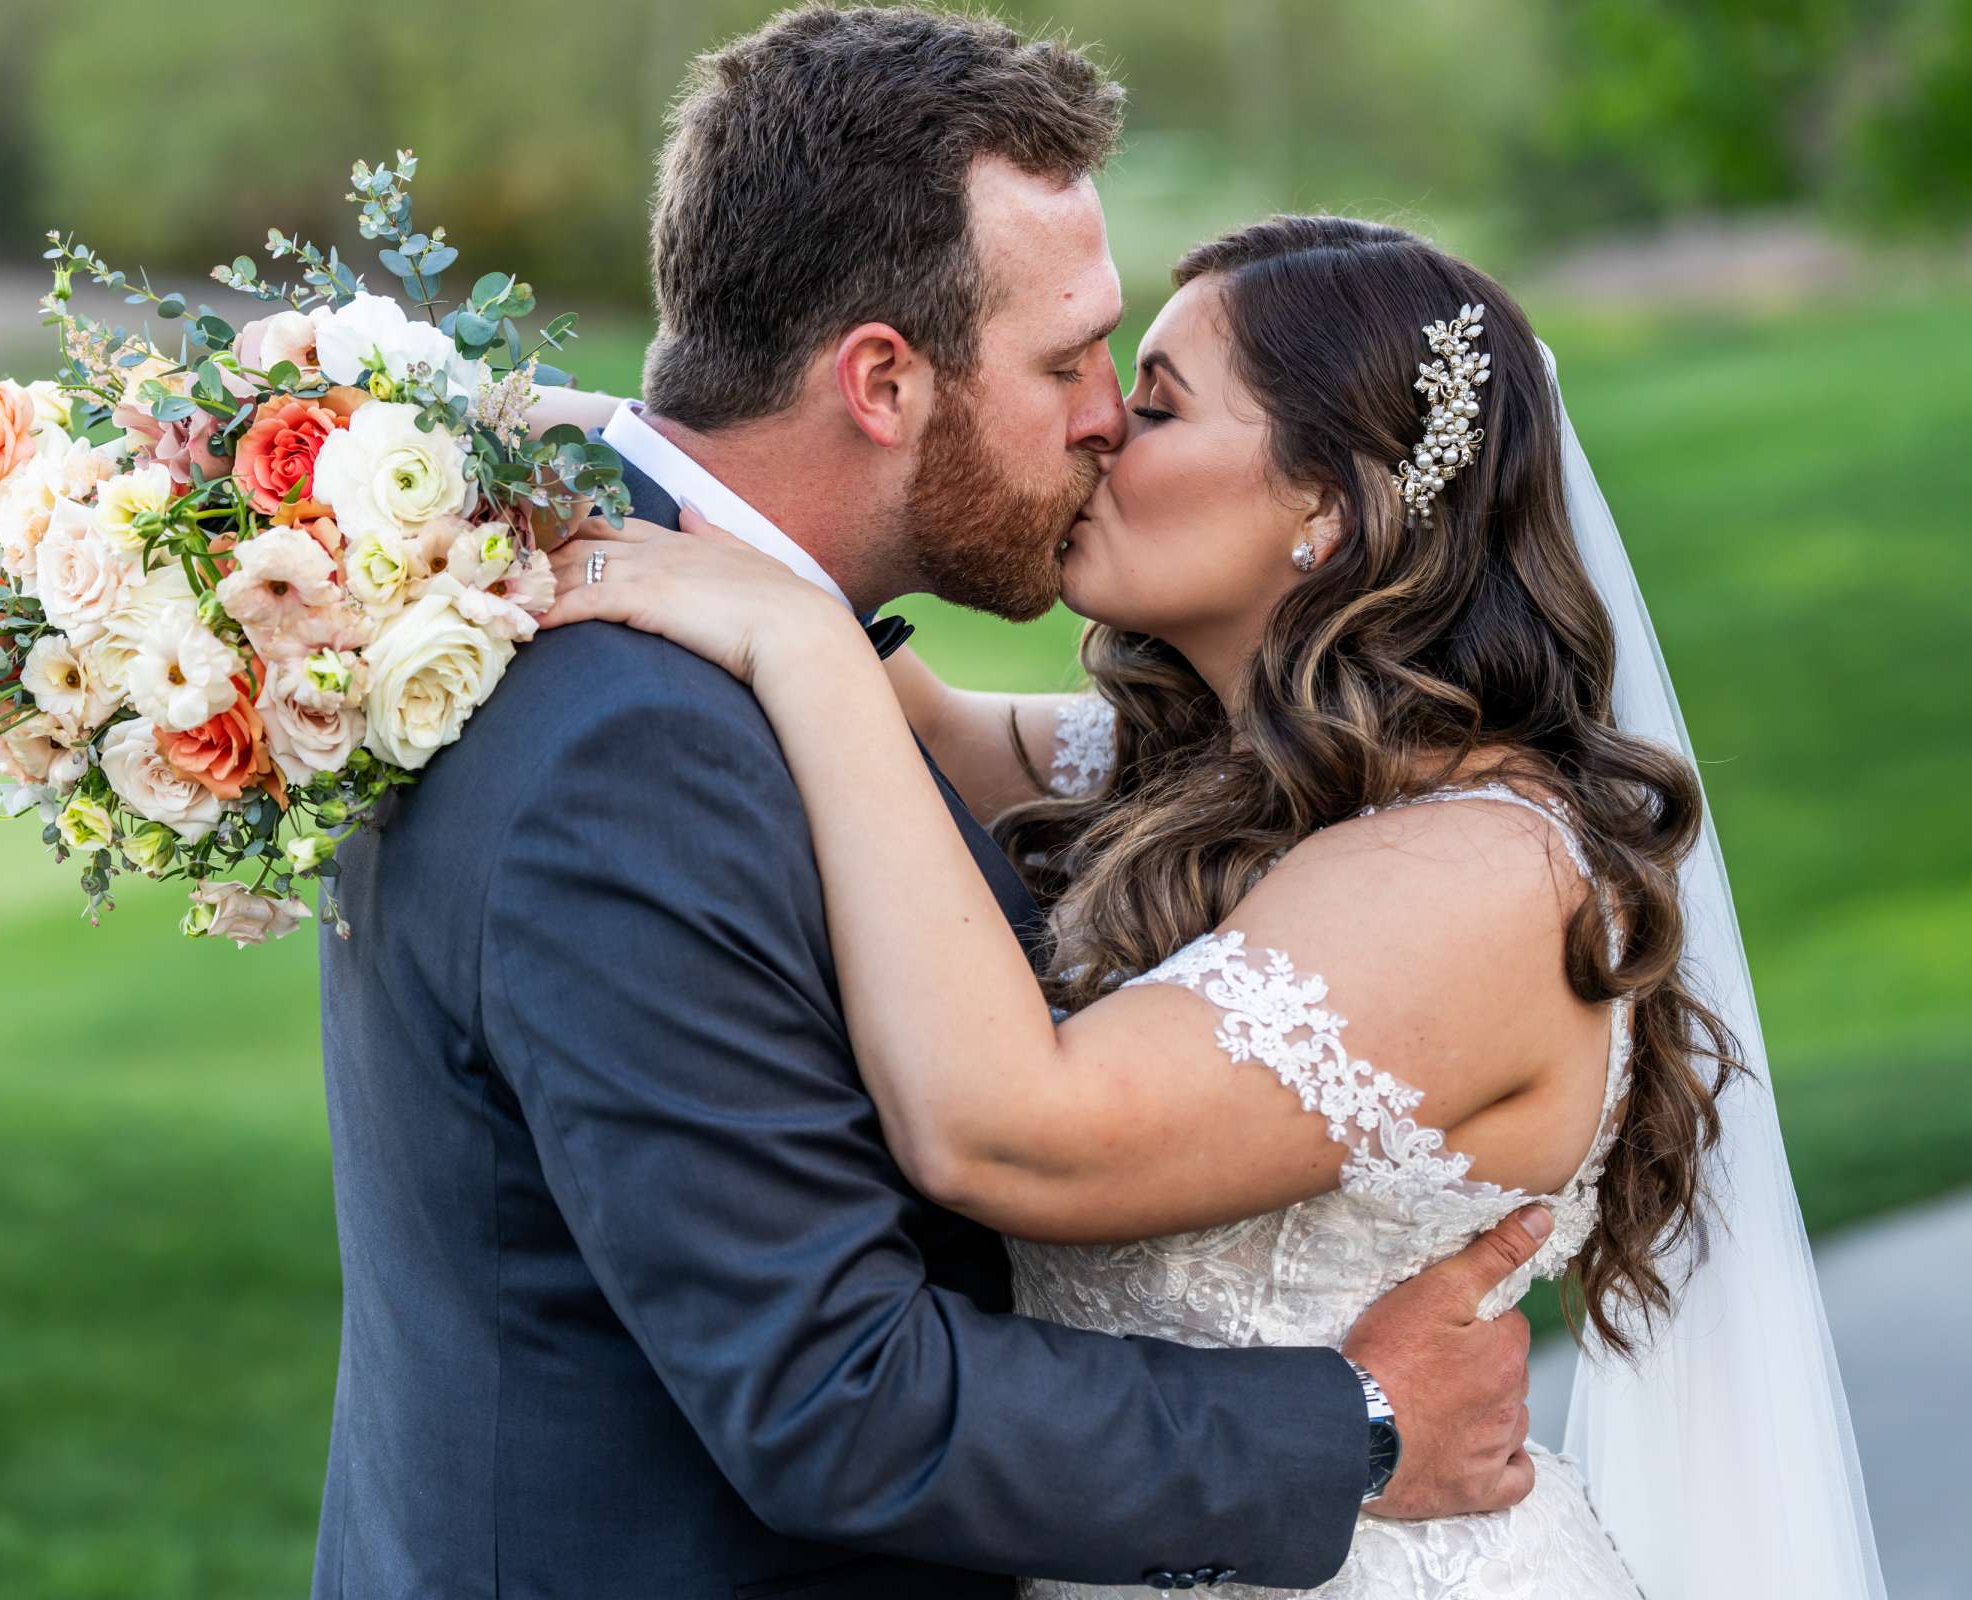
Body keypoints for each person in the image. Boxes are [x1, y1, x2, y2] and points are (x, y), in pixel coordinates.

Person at [312, 9, 1546, 1599]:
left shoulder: (548, 595)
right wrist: (1358, 1430)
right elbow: (838, 1400)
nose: (1104, 415)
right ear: (883, 382)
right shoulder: (638, 744)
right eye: (1067, 360)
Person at [544, 211, 1890, 1598]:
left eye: (1159, 407)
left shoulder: (1489, 879)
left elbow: (1015, 1136)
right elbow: (914, 719)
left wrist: (801, 647)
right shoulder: (1201, 777)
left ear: (1331, 504)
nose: (1098, 433)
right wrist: (494, 428)